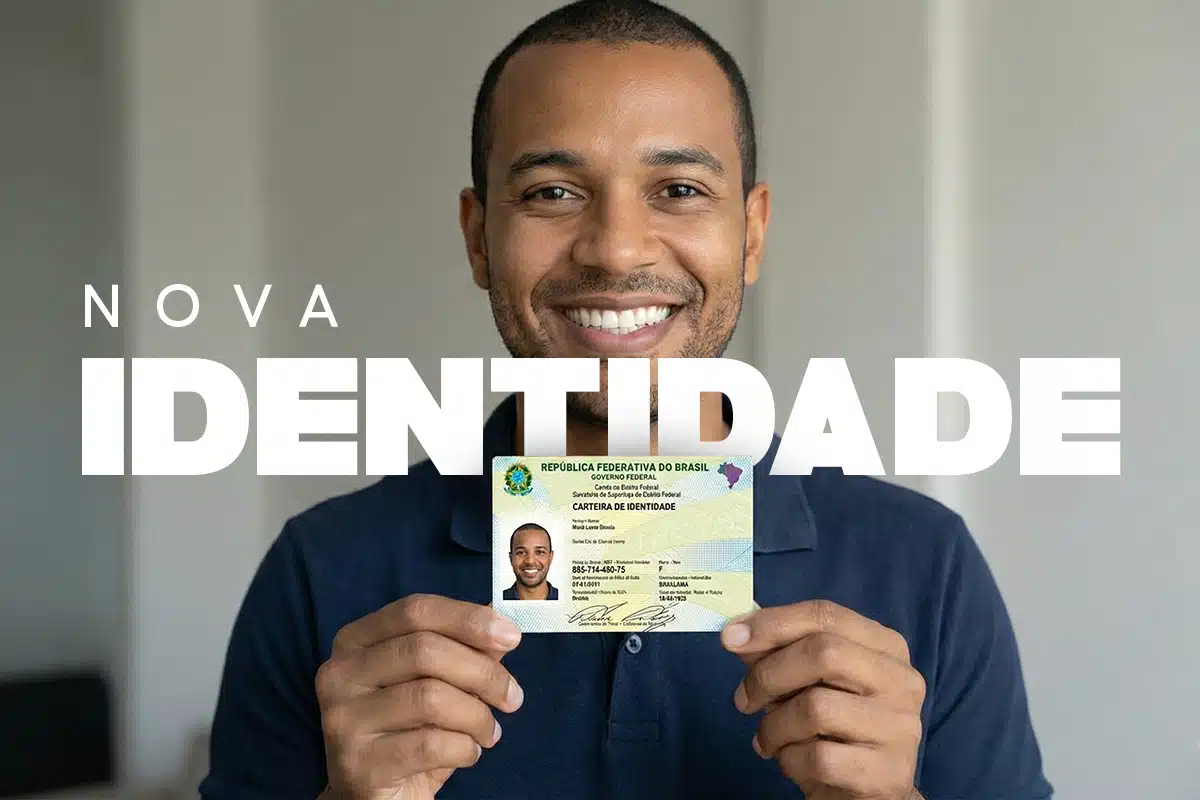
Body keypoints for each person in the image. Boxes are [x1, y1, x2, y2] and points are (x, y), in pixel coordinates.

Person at [200, 2, 1053, 798]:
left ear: (750, 233)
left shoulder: (923, 566)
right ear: (477, 236)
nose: (614, 251)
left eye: (678, 190)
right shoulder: (321, 571)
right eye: (551, 193)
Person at [502, 524, 558, 600]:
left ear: (550, 557)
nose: (530, 561)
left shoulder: (570, 602)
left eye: (539, 552)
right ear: (511, 558)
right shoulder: (495, 605)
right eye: (521, 552)